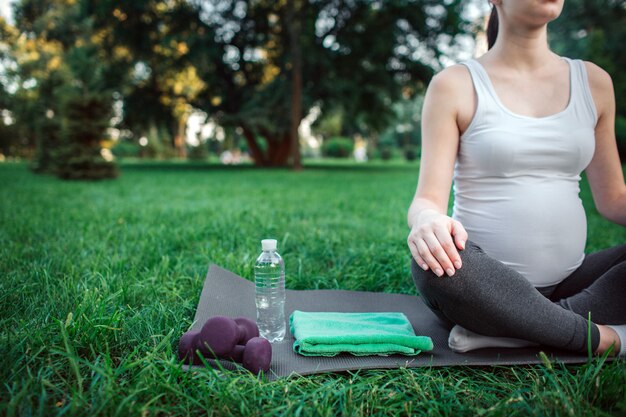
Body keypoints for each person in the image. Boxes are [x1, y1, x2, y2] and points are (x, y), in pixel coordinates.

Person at [407, 0, 626, 356]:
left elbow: (614, 199)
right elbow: (427, 201)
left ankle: (522, 329)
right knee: (433, 265)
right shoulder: (454, 84)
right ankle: (604, 339)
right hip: (480, 285)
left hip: (573, 283)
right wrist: (427, 220)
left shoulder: (595, 83)